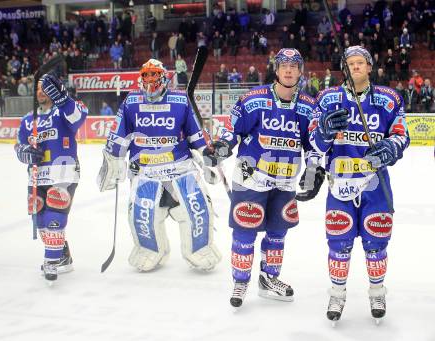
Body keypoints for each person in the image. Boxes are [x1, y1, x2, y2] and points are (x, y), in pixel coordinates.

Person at [203, 48, 323, 308]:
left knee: (278, 233)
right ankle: (241, 280)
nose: (289, 70)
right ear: (276, 70)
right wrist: (221, 147)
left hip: (285, 180)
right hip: (251, 177)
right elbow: (231, 131)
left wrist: (314, 170)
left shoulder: (309, 106)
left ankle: (269, 279)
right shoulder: (253, 100)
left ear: (300, 71)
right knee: (245, 231)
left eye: (294, 65)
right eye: (284, 65)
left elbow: (313, 144)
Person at [308, 46, 410, 324]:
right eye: (350, 63)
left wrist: (391, 146)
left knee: (376, 243)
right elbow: (314, 144)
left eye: (360, 62)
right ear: (345, 68)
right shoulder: (327, 98)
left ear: (369, 67)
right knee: (338, 244)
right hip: (339, 185)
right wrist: (325, 131)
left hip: (375, 186)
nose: (355, 67)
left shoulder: (388, 99)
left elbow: (402, 134)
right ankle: (337, 294)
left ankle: (377, 291)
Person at [97, 59, 221, 272]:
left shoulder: (180, 100)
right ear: (141, 77)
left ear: (164, 77)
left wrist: (207, 151)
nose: (151, 80)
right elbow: (118, 136)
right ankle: (150, 250)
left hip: (180, 170)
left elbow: (196, 133)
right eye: (147, 75)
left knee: (196, 209)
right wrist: (113, 161)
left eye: (155, 75)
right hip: (145, 173)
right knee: (143, 215)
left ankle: (200, 249)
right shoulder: (131, 101)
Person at [14, 73, 88, 283]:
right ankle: (63, 255)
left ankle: (52, 260)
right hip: (37, 178)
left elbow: (79, 117)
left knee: (54, 218)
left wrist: (64, 99)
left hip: (63, 174)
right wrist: (23, 152)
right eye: (37, 88)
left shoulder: (64, 111)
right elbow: (19, 144)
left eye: (44, 87)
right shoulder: (28, 119)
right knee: (40, 220)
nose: (40, 91)